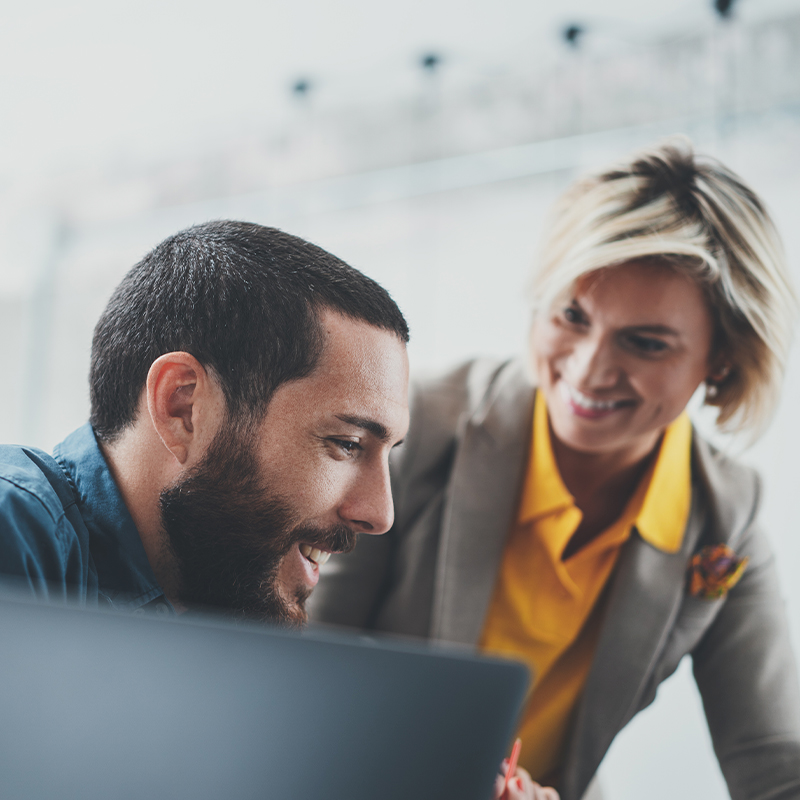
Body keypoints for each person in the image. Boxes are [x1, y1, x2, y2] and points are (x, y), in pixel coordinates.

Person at [311, 140, 800, 799]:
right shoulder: (412, 429)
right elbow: (311, 658)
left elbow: (772, 760)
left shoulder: (722, 524)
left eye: (646, 342)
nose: (590, 368)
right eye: (573, 315)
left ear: (723, 358)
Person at [0, 220, 550, 800]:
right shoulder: (14, 530)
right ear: (184, 406)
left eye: (387, 455)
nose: (379, 513)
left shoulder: (206, 609)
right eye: (346, 444)